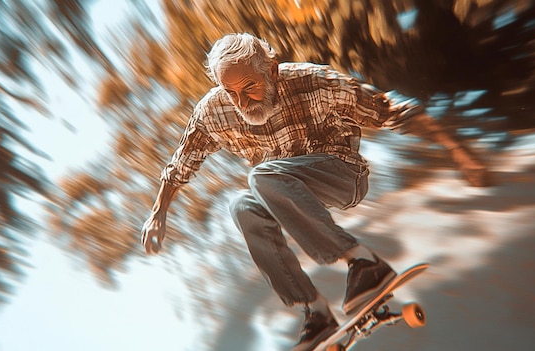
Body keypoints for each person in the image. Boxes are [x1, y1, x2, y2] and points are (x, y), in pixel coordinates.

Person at [141, 33, 490, 350]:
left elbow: (388, 109)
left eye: (250, 88)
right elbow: (182, 161)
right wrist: (158, 213)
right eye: (231, 94)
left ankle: (364, 262)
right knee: (242, 207)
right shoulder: (215, 111)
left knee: (262, 177)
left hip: (342, 176)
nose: (243, 103)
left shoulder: (314, 81)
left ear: (273, 71)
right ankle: (316, 311)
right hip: (282, 185)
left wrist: (457, 148)